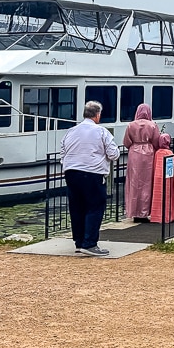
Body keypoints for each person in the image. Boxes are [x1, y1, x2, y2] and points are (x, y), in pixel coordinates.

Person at [60, 100, 119, 256]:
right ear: (97, 115)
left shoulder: (71, 131)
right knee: (95, 207)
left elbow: (62, 152)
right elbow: (114, 154)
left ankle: (79, 242)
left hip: (71, 172)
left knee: (77, 207)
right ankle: (90, 243)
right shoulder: (102, 132)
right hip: (93, 172)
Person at [122, 103, 160, 222]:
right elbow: (156, 141)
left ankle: (134, 211)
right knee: (147, 183)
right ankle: (145, 211)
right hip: (148, 153)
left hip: (134, 152)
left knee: (134, 182)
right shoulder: (152, 125)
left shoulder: (131, 125)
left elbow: (126, 142)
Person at [149, 132, 174, 224]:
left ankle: (156, 216)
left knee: (158, 196)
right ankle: (168, 216)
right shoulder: (169, 152)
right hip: (167, 177)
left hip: (157, 177)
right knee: (168, 196)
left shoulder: (157, 153)